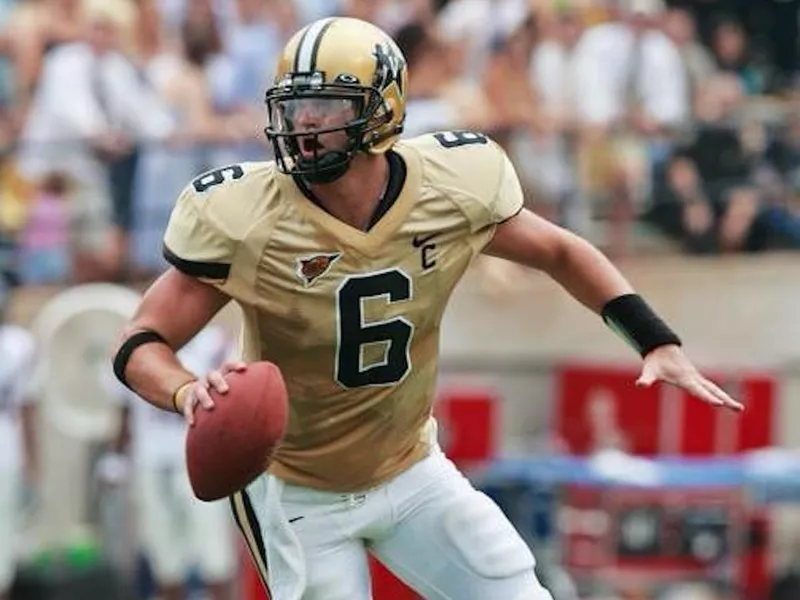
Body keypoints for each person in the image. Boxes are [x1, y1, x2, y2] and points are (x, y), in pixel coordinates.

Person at [112, 17, 743, 600]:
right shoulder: (247, 218)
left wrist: (653, 339)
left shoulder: (450, 186)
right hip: (295, 488)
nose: (303, 124)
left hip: (411, 468)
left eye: (325, 107)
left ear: (379, 112)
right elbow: (140, 340)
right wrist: (186, 391)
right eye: (295, 104)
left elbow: (559, 250)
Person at [111, 325, 238, 600]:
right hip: (150, 459)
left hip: (199, 460)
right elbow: (123, 408)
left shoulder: (213, 343)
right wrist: (117, 456)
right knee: (165, 565)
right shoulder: (134, 348)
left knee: (216, 559)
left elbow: (233, 403)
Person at [0, 267, 37, 600]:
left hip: (6, 452)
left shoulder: (18, 344)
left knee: (4, 535)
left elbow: (27, 407)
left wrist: (31, 462)